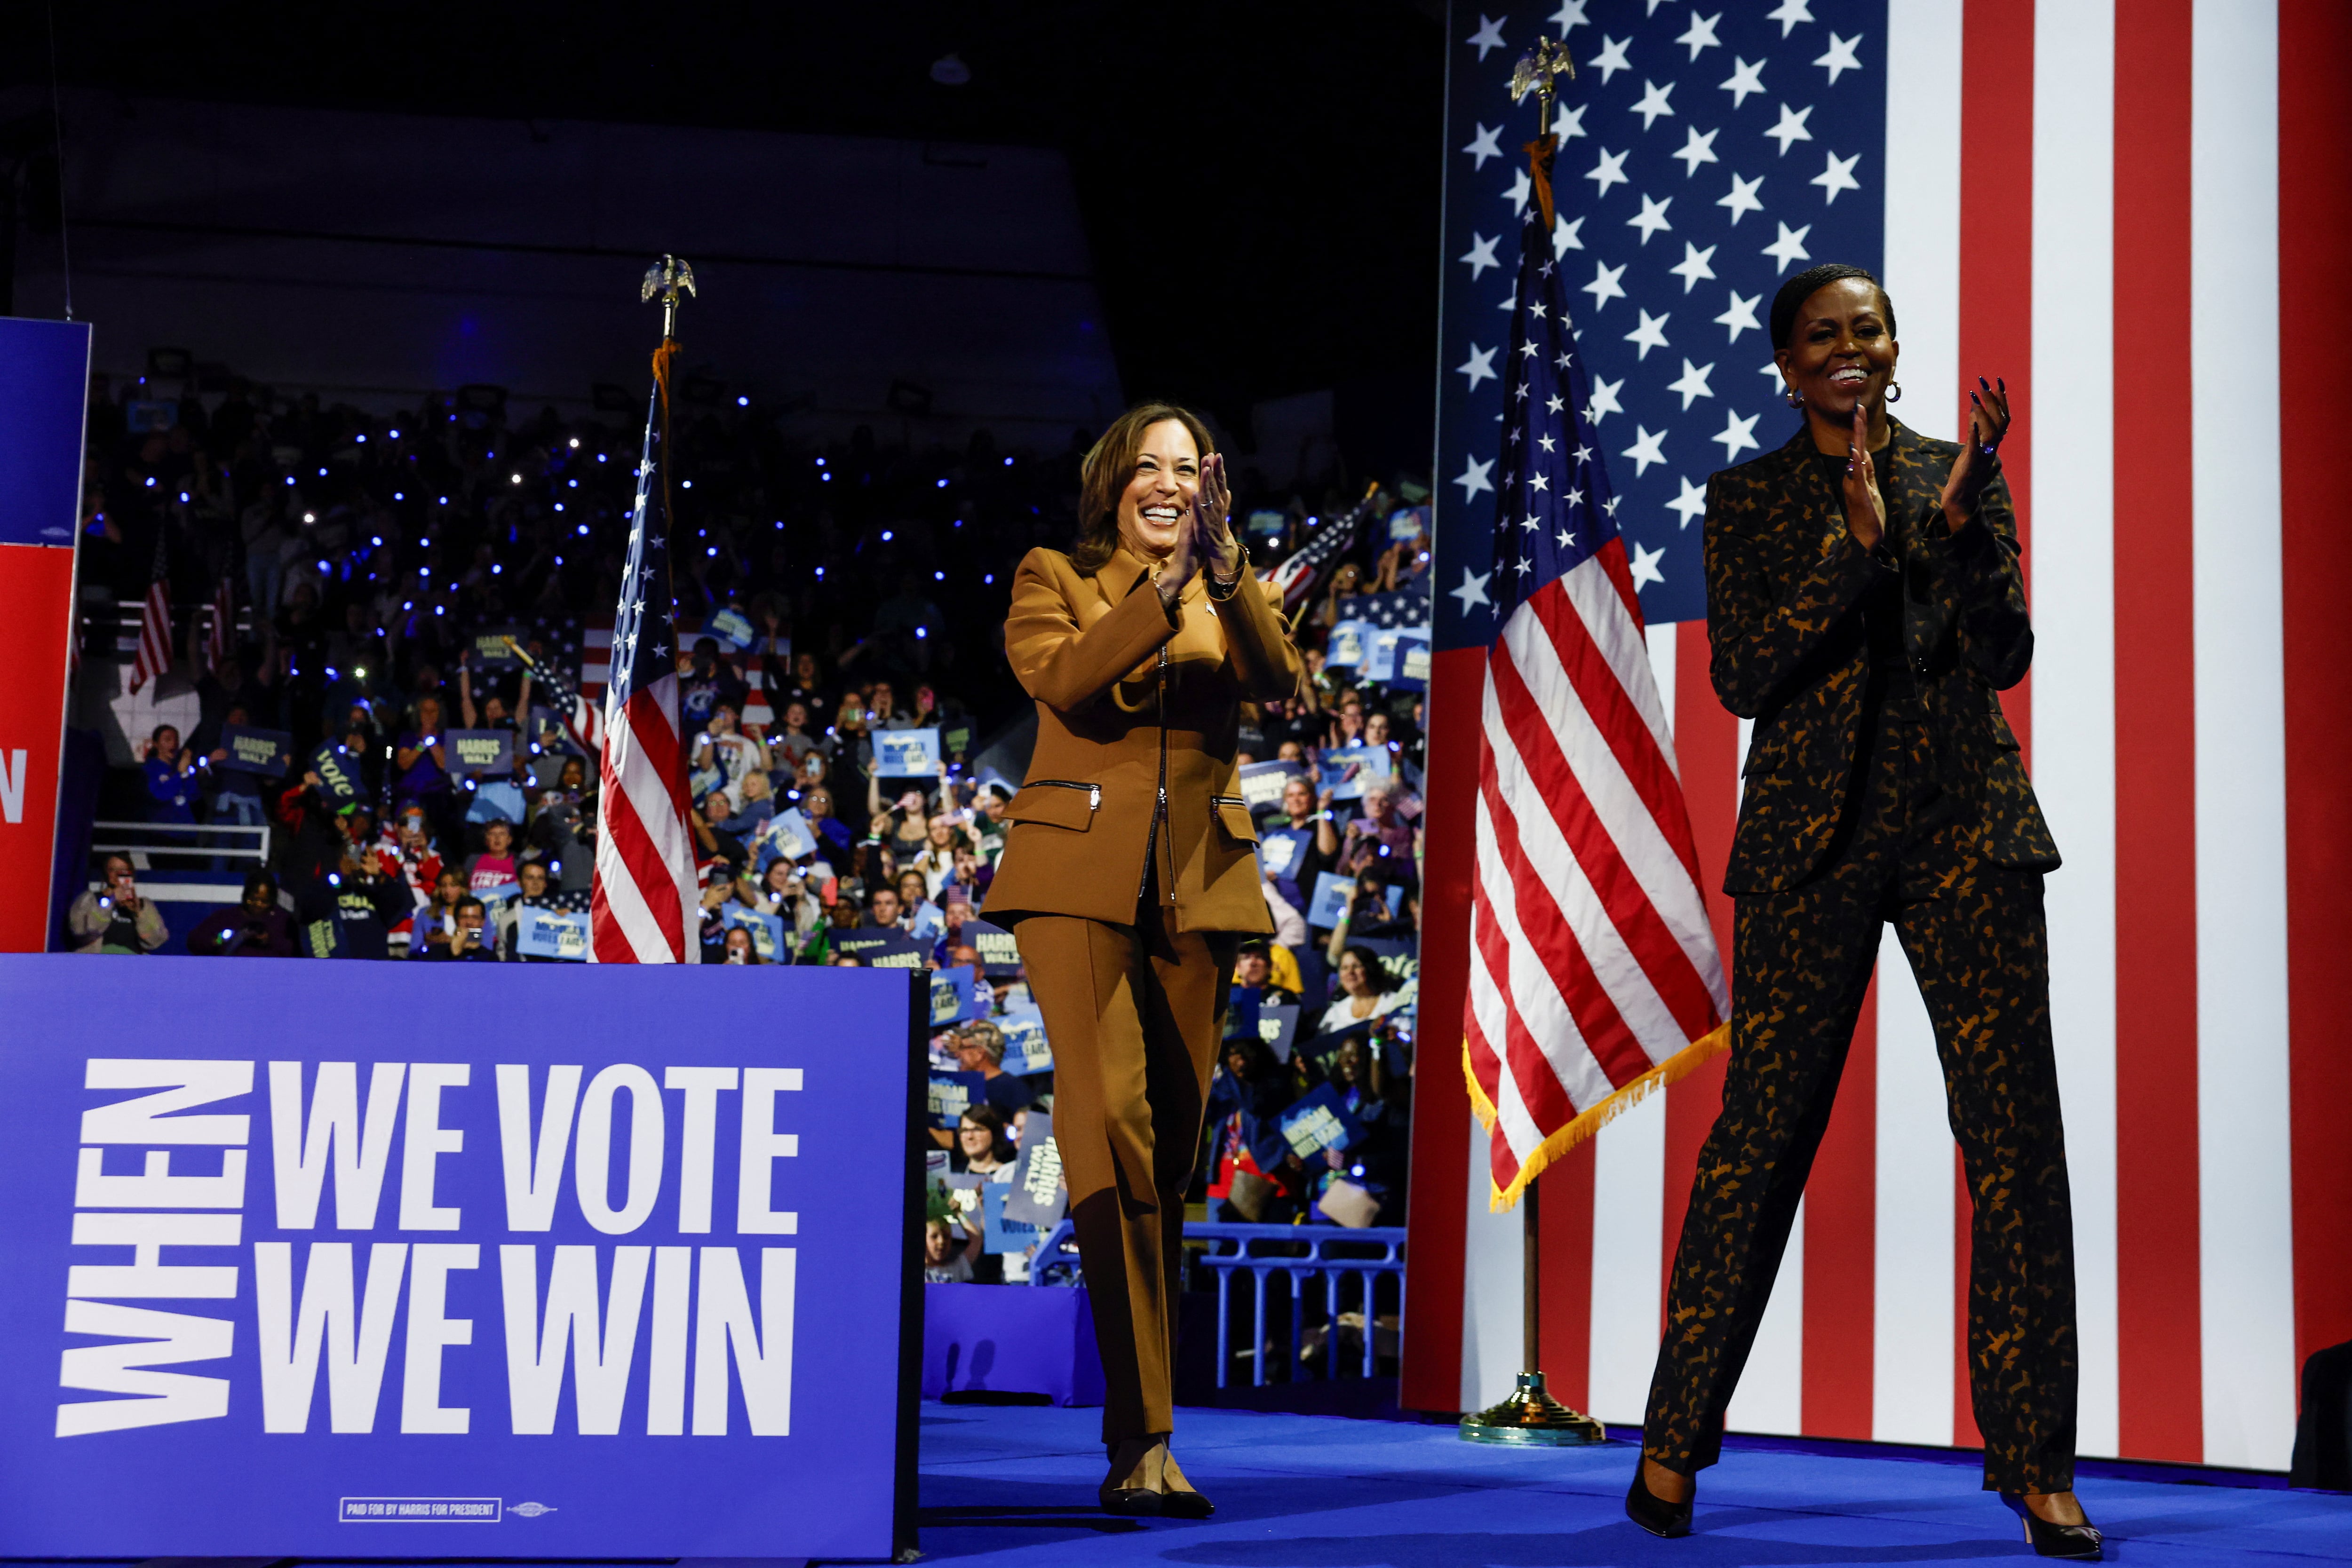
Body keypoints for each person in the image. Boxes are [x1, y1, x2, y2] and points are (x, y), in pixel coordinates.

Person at [1629, 264, 2096, 1558]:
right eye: (1826, 336)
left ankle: (2039, 1463)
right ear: (1788, 365)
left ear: (1895, 348)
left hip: (1967, 833)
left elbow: (2005, 652)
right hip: (1808, 845)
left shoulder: (1961, 469)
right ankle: (1673, 1440)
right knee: (1760, 1140)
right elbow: (1744, 672)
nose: (1853, 349)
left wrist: (1949, 530)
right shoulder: (1751, 494)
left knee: (2017, 1145)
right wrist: (1858, 548)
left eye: (1870, 330)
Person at [985, 401, 1303, 1516]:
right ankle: (1141, 1437)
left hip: (1198, 889)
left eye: (1188, 468)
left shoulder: (1222, 578)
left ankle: (1151, 1434)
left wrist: (1226, 570)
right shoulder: (1056, 575)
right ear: (1113, 482)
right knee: (1110, 1126)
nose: (1168, 485)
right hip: (1074, 883)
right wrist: (1160, 592)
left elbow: (1283, 682)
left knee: (1165, 1162)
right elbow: (1063, 681)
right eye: (1149, 468)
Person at [68, 855, 170, 954]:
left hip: (133, 965)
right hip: (97, 963)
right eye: (113, 870)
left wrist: (139, 914)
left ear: (131, 874)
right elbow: (79, 931)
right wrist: (111, 901)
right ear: (106, 874)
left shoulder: (143, 905)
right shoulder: (90, 899)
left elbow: (157, 941)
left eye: (123, 870)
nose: (118, 874)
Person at [188, 871, 299, 957]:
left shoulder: (281, 920)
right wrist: (219, 940)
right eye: (253, 900)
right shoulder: (226, 917)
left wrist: (269, 940)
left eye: (264, 901)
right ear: (246, 896)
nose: (258, 905)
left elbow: (295, 950)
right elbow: (194, 941)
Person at [1317, 943, 1408, 1034]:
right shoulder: (1334, 1013)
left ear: (1370, 969)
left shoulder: (1395, 1003)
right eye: (1345, 968)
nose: (1350, 972)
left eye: (1356, 966)